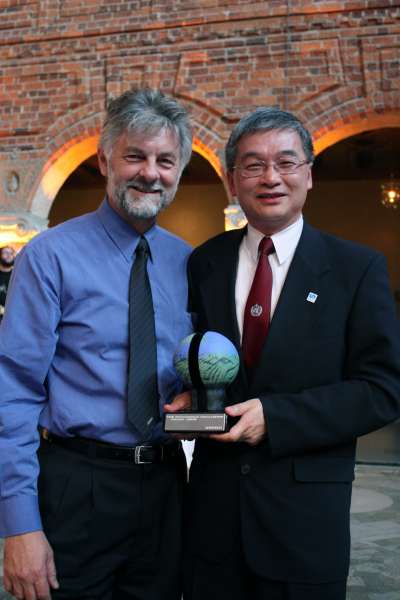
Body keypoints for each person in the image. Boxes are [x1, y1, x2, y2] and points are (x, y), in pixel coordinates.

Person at [166, 107, 400, 600]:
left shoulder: (356, 269)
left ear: (308, 175)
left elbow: (382, 389)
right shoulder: (204, 262)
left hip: (305, 528)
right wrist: (192, 396)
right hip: (212, 527)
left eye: (286, 162)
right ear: (232, 180)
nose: (270, 177)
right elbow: (203, 361)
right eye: (252, 165)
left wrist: (277, 416)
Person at [0, 89, 193, 600]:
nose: (150, 172)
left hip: (167, 485)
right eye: (135, 155)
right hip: (75, 486)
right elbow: (13, 393)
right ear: (106, 158)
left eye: (165, 161)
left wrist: (194, 399)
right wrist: (19, 526)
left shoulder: (190, 263)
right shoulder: (48, 257)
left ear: (179, 170)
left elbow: (194, 368)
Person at [0, 245, 16, 322]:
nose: (9, 255)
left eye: (11, 253)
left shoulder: (18, 275)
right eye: (5, 252)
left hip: (14, 318)